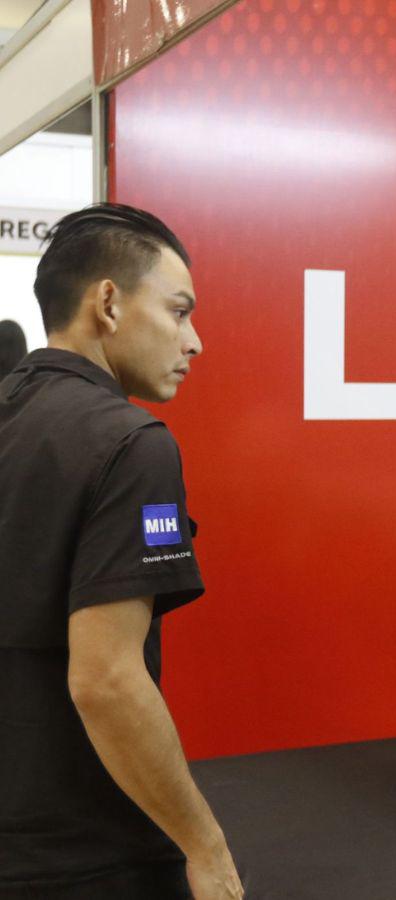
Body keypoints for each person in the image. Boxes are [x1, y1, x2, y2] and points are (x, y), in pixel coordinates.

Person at [0, 204, 243, 899]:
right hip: (85, 853)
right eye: (179, 311)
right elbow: (105, 680)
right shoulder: (132, 442)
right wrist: (205, 846)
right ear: (108, 302)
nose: (193, 340)